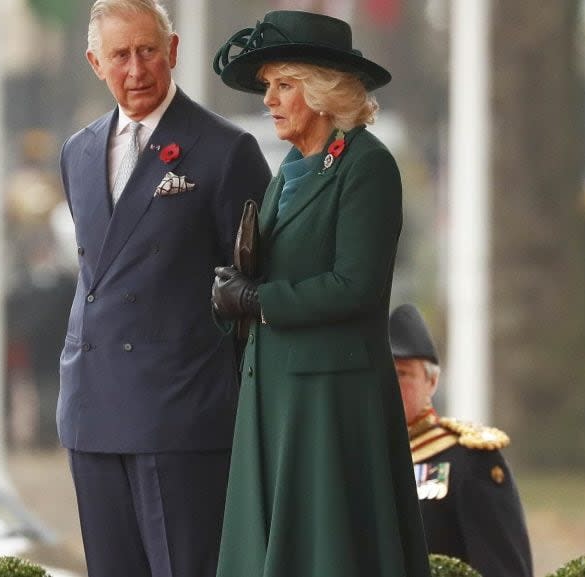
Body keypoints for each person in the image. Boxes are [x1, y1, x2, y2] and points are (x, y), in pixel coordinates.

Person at [210, 11, 429, 577]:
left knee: (328, 552)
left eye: (285, 85)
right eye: (269, 87)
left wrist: (260, 301)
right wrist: (236, 290)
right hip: (278, 390)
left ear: (324, 91)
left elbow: (356, 287)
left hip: (331, 400)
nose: (270, 100)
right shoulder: (289, 168)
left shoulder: (368, 164)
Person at [56, 1, 271, 576]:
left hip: (181, 415)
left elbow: (256, 293)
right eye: (120, 55)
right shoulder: (76, 152)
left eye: (147, 50)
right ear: (95, 62)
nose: (136, 68)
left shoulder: (227, 152)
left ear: (172, 51)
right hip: (91, 408)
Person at [390, 303, 533, 577]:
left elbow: (502, 568)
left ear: (432, 382)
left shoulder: (468, 460)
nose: (389, 383)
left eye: (402, 373)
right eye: (382, 372)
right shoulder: (355, 459)